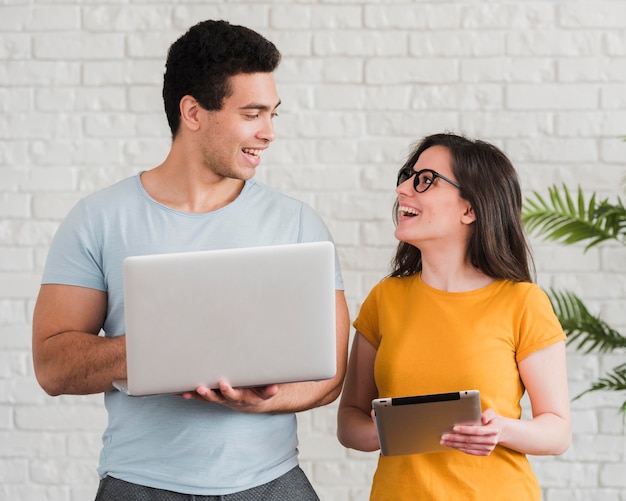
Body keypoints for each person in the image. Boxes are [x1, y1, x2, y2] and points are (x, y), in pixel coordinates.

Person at [32, 20, 350, 500]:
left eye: (273, 115)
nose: (268, 133)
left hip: (271, 483)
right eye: (252, 114)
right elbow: (52, 365)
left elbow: (329, 375)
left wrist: (256, 402)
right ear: (194, 112)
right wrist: (166, 348)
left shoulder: (298, 224)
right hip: (140, 486)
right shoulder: (98, 220)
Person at [336, 132, 571, 500]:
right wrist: (391, 431)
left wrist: (501, 430)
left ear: (470, 209)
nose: (403, 190)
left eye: (425, 180)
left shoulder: (523, 302)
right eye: (407, 176)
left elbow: (557, 431)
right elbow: (349, 421)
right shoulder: (385, 299)